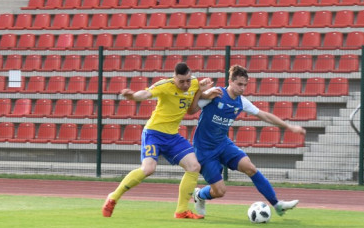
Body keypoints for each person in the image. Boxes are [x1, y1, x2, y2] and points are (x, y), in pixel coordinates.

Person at [102, 62, 213, 219]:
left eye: (188, 80)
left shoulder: (194, 83)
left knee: (194, 166)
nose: (185, 84)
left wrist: (204, 91)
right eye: (181, 81)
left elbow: (194, 102)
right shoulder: (164, 85)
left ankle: (181, 211)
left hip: (172, 136)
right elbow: (146, 94)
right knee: (148, 169)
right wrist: (133, 96)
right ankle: (113, 197)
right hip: (154, 133)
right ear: (174, 78)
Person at [190, 65, 303, 219]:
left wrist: (289, 126)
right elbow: (191, 110)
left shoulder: (241, 102)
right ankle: (200, 195)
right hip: (204, 149)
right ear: (230, 81)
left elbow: (264, 115)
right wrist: (200, 92)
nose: (243, 88)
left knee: (250, 167)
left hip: (223, 144)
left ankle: (277, 205)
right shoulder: (215, 94)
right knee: (219, 191)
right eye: (239, 84)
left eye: (245, 85)